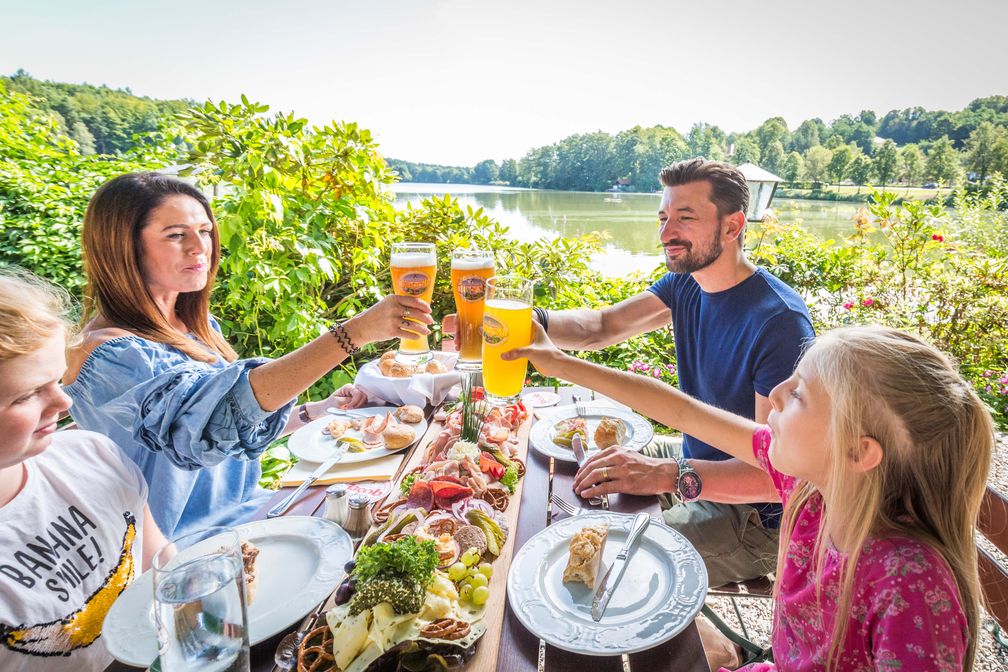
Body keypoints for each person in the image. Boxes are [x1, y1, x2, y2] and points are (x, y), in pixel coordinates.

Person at [507, 322, 991, 671]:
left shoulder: (910, 587)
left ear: (857, 451)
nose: (775, 393)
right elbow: (681, 410)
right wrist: (560, 364)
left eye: (799, 394)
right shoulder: (811, 494)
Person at [448, 158, 815, 586]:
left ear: (733, 227)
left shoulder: (780, 322)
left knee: (616, 566)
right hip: (693, 456)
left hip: (757, 516)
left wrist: (664, 474)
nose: (665, 234)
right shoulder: (686, 284)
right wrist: (530, 323)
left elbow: (777, 474)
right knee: (570, 472)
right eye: (663, 217)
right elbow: (602, 326)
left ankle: (713, 647)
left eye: (685, 218)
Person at [63, 172, 433, 538]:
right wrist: (355, 332)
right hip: (183, 550)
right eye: (176, 235)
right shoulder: (108, 356)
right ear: (122, 247)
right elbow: (213, 420)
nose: (199, 247)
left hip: (251, 514)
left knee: (409, 497)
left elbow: (228, 432)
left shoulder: (195, 328)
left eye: (205, 231)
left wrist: (314, 412)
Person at [0, 268, 169, 671]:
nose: (64, 403)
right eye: (28, 394)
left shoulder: (94, 457)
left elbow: (162, 564)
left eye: (59, 380)